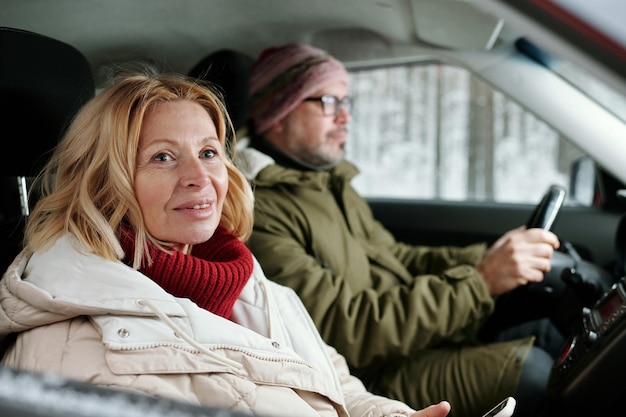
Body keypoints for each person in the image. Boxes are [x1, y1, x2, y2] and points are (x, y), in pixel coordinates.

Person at [0, 72, 451, 417]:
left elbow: (333, 387)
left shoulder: (246, 279)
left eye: (209, 152)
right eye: (163, 157)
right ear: (104, 183)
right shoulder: (71, 352)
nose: (200, 177)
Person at [234, 43, 565, 417]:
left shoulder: (327, 183)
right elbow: (345, 331)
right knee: (537, 372)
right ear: (279, 112)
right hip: (368, 377)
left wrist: (489, 260)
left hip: (409, 345)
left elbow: (395, 257)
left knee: (550, 331)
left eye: (347, 103)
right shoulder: (258, 211)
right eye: (329, 103)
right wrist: (481, 282)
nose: (345, 117)